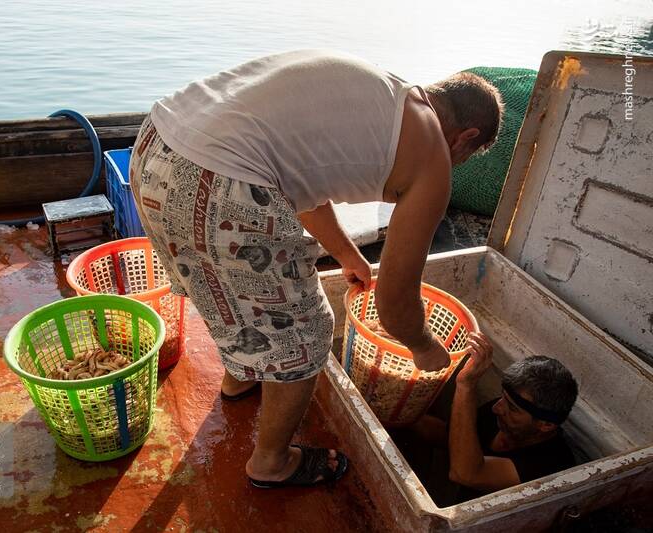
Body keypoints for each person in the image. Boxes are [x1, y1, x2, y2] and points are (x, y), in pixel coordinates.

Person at [129, 49, 504, 488]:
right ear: (466, 137)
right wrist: (422, 346)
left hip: (157, 146)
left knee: (226, 283)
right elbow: (395, 301)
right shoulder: (433, 155)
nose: (455, 163)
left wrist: (347, 254)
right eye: (466, 157)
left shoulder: (385, 95)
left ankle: (239, 378)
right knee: (306, 332)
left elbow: (301, 182)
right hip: (219, 181)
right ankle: (270, 462)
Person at [410, 333, 579, 500]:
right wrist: (399, 414)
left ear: (546, 425)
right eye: (503, 397)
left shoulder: (551, 465)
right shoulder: (500, 416)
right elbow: (450, 438)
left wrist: (466, 386)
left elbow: (465, 474)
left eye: (512, 408)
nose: (497, 408)